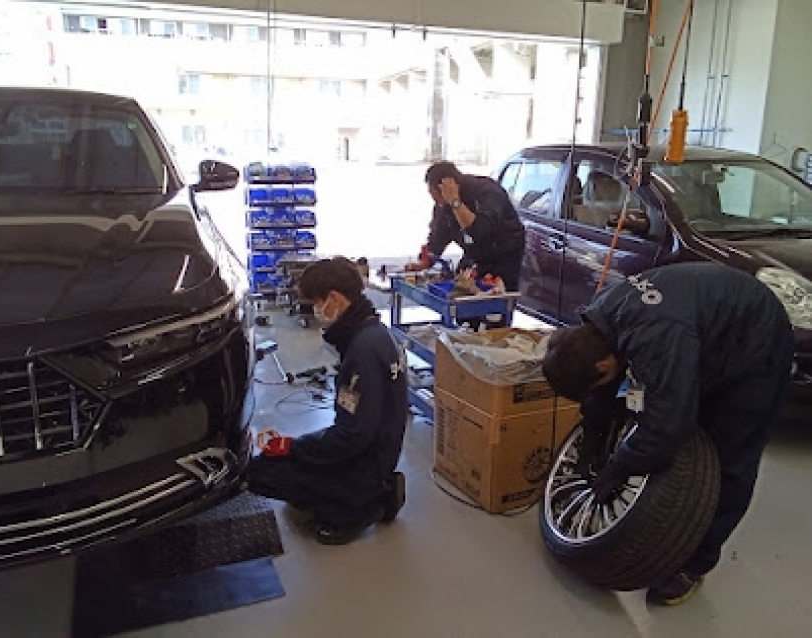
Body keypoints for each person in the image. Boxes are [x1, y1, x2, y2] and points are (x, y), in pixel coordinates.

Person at [541, 262, 794, 606]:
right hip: (705, 330)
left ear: (602, 365)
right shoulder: (599, 319)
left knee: (729, 459)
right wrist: (593, 434)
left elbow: (666, 428)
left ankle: (695, 565)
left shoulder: (655, 339)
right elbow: (605, 392)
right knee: (678, 409)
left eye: (595, 381)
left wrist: (620, 466)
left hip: (757, 345)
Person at [247, 257, 409, 545]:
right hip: (378, 448)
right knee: (289, 459)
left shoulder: (362, 351)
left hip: (365, 461)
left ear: (334, 298)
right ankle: (366, 490)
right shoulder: (375, 332)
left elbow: (351, 437)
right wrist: (297, 446)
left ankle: (362, 506)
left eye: (316, 303)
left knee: (262, 474)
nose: (316, 311)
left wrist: (293, 447)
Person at [405, 161, 526, 292]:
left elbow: (479, 230)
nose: (438, 203)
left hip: (503, 254)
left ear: (446, 188)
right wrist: (426, 260)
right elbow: (439, 234)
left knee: (495, 297)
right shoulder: (444, 204)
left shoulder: (487, 192)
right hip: (473, 253)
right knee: (460, 289)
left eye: (437, 197)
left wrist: (455, 202)